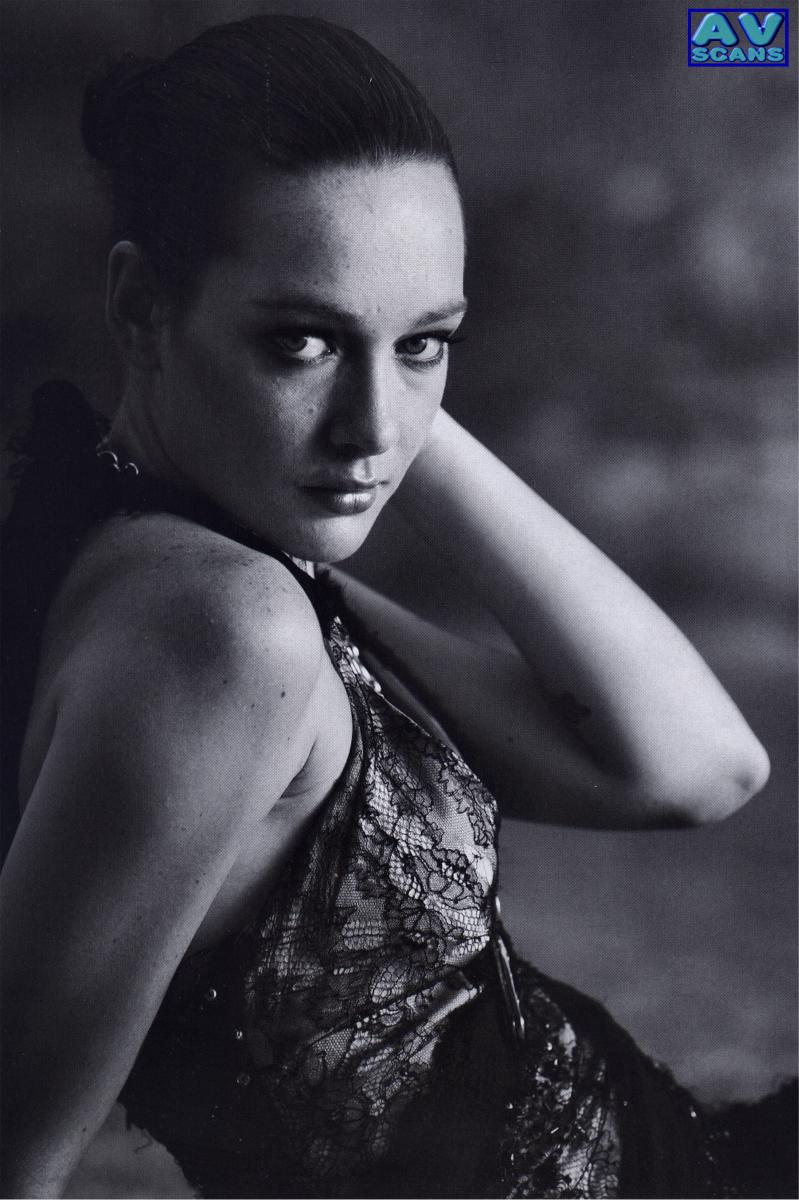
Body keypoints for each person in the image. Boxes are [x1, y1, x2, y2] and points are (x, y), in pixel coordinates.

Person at [0, 14, 794, 1200]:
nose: (372, 429)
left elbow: (690, 769)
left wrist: (372, 370)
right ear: (139, 308)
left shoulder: (198, 568)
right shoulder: (223, 632)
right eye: (299, 340)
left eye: (431, 342)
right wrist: (387, 363)